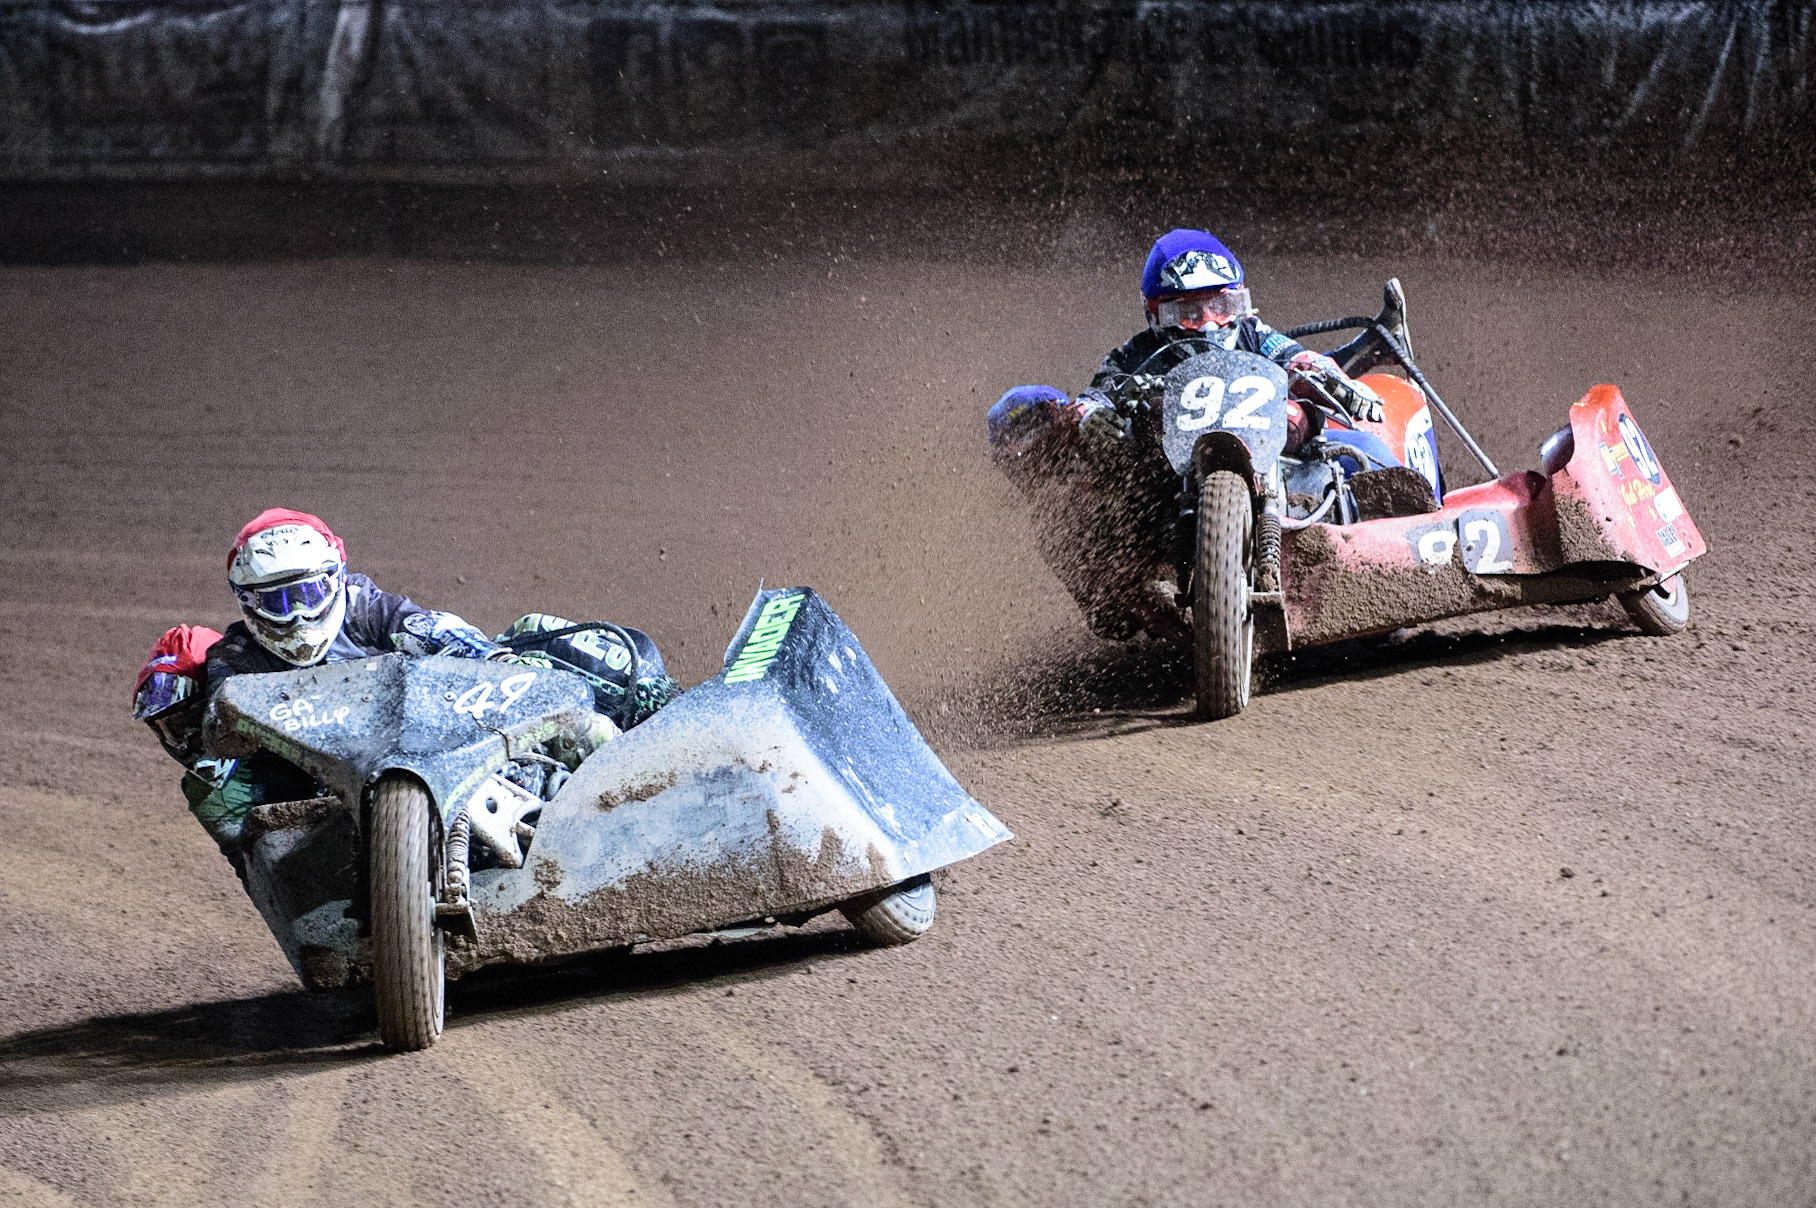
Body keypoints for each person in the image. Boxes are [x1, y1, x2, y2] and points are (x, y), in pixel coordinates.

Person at [986, 228, 1412, 642]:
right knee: (1086, 506)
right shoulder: (1135, 354)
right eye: (1190, 313)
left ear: (1239, 302)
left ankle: (1406, 539)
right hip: (1172, 481)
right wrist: (1091, 417)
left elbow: (1297, 357)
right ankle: (1152, 605)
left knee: (1357, 448)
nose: (1209, 323)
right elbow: (1096, 395)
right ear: (1157, 314)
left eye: (1221, 307)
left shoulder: (1254, 334)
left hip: (1276, 456)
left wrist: (1332, 379)